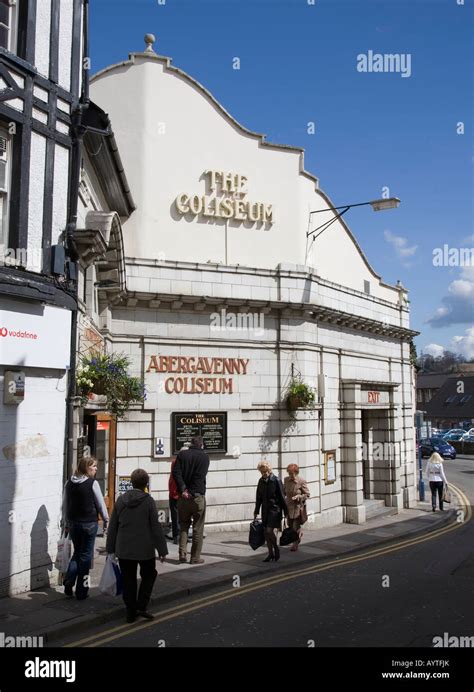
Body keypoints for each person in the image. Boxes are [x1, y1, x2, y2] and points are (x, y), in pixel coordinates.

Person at [106, 468, 168, 623]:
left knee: (129, 579)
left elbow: (112, 527)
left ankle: (130, 611)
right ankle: (141, 605)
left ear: (131, 483)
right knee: (149, 574)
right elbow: (155, 527)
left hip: (124, 548)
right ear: (146, 484)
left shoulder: (120, 500)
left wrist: (110, 549)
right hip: (145, 548)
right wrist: (162, 550)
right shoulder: (148, 501)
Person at [62, 456, 109, 600]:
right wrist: (106, 519)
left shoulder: (69, 483)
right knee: (86, 558)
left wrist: (65, 522)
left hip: (73, 523)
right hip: (89, 524)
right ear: (85, 468)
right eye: (93, 466)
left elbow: (65, 504)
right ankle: (82, 591)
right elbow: (100, 503)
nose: (96, 469)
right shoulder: (92, 483)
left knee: (78, 553)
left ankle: (69, 581)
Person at [172, 436, 210, 564]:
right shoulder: (204, 457)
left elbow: (176, 473)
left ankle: (182, 554)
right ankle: (195, 557)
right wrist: (192, 492)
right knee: (198, 528)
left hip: (183, 497)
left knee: (183, 525)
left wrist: (183, 490)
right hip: (197, 497)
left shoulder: (182, 455)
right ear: (201, 445)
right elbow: (199, 476)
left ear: (191, 444)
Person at [254, 461, 287, 562]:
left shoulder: (276, 480)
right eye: (262, 472)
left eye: (265, 471)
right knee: (266, 532)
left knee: (269, 530)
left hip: (275, 510)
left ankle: (276, 548)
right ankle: (270, 554)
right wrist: (256, 510)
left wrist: (286, 511)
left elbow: (282, 497)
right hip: (265, 509)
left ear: (269, 470)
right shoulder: (261, 481)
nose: (264, 474)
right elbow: (258, 497)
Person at [283, 463, 310, 551]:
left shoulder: (301, 481)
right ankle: (299, 534)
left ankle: (295, 544)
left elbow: (307, 494)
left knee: (295, 527)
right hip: (289, 507)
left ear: (296, 472)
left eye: (291, 473)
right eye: (289, 473)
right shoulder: (286, 480)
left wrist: (299, 497)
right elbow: (284, 492)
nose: (290, 475)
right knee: (290, 526)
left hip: (298, 507)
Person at [167, 458, 180, 544]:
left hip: (176, 492)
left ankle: (178, 536)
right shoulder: (177, 462)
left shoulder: (175, 462)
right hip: (176, 493)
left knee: (177, 516)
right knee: (176, 517)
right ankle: (177, 536)